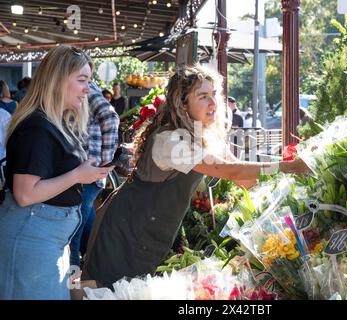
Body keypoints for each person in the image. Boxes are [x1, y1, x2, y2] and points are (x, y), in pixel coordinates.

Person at [82, 64, 310, 288]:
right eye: (202, 96)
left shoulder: (202, 134)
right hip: (126, 232)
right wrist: (292, 166)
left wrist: (283, 207)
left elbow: (241, 176)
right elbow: (228, 170)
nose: (213, 103)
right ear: (182, 103)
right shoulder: (170, 140)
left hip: (147, 233)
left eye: (214, 95)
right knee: (110, 292)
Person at [0, 45, 114, 300]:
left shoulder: (55, 122)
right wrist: (77, 176)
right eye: (82, 80)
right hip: (31, 234)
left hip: (45, 236)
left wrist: (86, 171)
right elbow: (25, 194)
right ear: (58, 80)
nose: (88, 89)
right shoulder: (37, 126)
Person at [69, 81, 120, 268]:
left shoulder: (86, 88)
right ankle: (97, 274)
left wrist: (105, 164)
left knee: (72, 237)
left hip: (86, 174)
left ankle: (70, 291)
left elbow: (110, 117)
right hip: (84, 173)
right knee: (86, 232)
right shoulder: (77, 89)